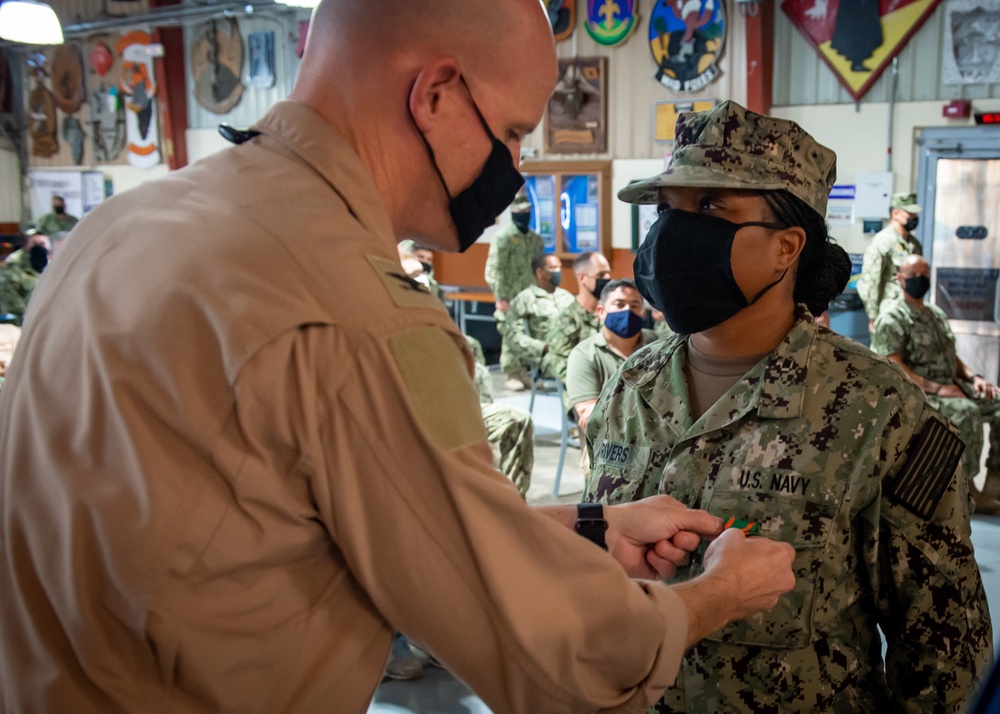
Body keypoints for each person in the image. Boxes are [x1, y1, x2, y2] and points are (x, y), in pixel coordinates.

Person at [0, 3, 798, 712]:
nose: (513, 173)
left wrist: (589, 524)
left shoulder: (120, 228)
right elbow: (551, 657)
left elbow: (287, 525)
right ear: (437, 95)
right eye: (514, 133)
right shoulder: (358, 314)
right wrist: (712, 598)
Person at [586, 100, 992, 712]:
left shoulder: (877, 408)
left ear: (787, 247)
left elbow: (944, 652)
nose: (672, 234)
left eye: (712, 208)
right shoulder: (630, 384)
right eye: (667, 209)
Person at [871, 254, 1000, 514]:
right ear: (900, 279)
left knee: (997, 406)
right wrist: (938, 388)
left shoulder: (935, 314)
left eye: (924, 276)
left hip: (950, 386)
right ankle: (967, 490)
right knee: (967, 413)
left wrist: (975, 378)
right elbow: (893, 363)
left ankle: (994, 483)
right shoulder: (893, 317)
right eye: (913, 276)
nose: (919, 280)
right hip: (918, 392)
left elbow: (951, 359)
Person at [567, 278, 658, 435]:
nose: (627, 310)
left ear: (643, 313)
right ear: (601, 311)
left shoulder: (658, 346)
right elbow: (591, 419)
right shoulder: (584, 354)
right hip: (606, 447)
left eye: (634, 305)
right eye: (619, 304)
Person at [485, 190, 543, 390]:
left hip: (530, 295)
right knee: (511, 335)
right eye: (520, 210)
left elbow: (539, 267)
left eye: (527, 211)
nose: (524, 214)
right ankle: (512, 373)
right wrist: (500, 297)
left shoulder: (535, 240)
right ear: (513, 212)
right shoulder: (503, 238)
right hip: (509, 295)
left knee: (530, 334)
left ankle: (525, 371)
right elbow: (493, 270)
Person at [499, 252, 574, 383]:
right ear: (540, 272)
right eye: (553, 268)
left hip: (574, 351)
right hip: (548, 357)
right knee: (579, 369)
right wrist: (542, 347)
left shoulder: (567, 297)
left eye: (559, 267)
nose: (558, 271)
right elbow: (512, 336)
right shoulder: (525, 299)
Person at [857, 192, 923, 327]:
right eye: (910, 214)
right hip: (889, 314)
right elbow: (870, 281)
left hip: (910, 312)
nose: (914, 217)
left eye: (915, 214)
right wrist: (873, 316)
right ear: (896, 214)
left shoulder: (914, 244)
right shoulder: (883, 241)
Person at [546, 250, 610, 384]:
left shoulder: (611, 315)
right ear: (582, 278)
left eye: (608, 273)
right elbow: (564, 369)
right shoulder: (564, 321)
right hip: (585, 395)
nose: (607, 278)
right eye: (601, 274)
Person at [0, 230, 49, 326]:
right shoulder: (15, 265)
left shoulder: (54, 263)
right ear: (26, 246)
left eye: (42, 243)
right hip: (24, 321)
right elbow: (10, 299)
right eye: (34, 243)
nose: (38, 247)